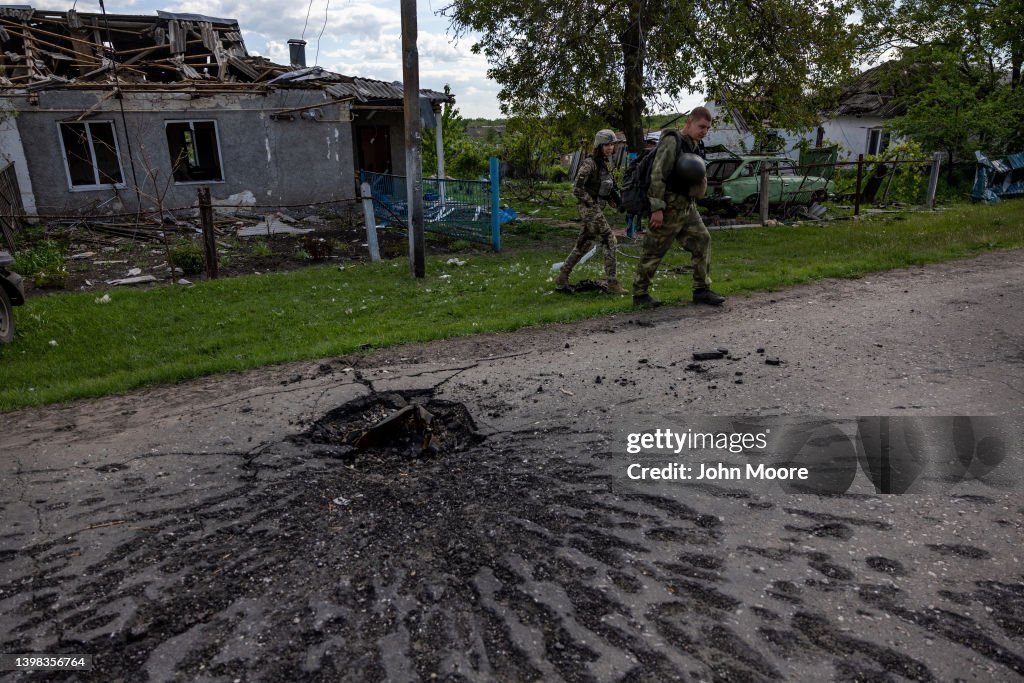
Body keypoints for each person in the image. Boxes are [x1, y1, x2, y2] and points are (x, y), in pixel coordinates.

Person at [632, 107, 726, 308]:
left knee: (703, 239)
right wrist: (657, 208)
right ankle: (640, 294)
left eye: (708, 128)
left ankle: (701, 290)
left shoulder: (694, 144)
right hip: (668, 207)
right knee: (654, 250)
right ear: (690, 121)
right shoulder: (672, 141)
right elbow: (657, 174)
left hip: (687, 207)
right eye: (702, 126)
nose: (704, 132)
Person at [554, 129, 627, 295]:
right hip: (589, 209)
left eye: (612, 144)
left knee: (584, 244)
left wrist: (611, 200)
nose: (610, 148)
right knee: (610, 240)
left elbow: (604, 185)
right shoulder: (590, 163)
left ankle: (563, 275)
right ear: (599, 146)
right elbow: (577, 189)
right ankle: (612, 283)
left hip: (596, 208)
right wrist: (592, 203)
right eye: (606, 145)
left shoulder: (605, 163)